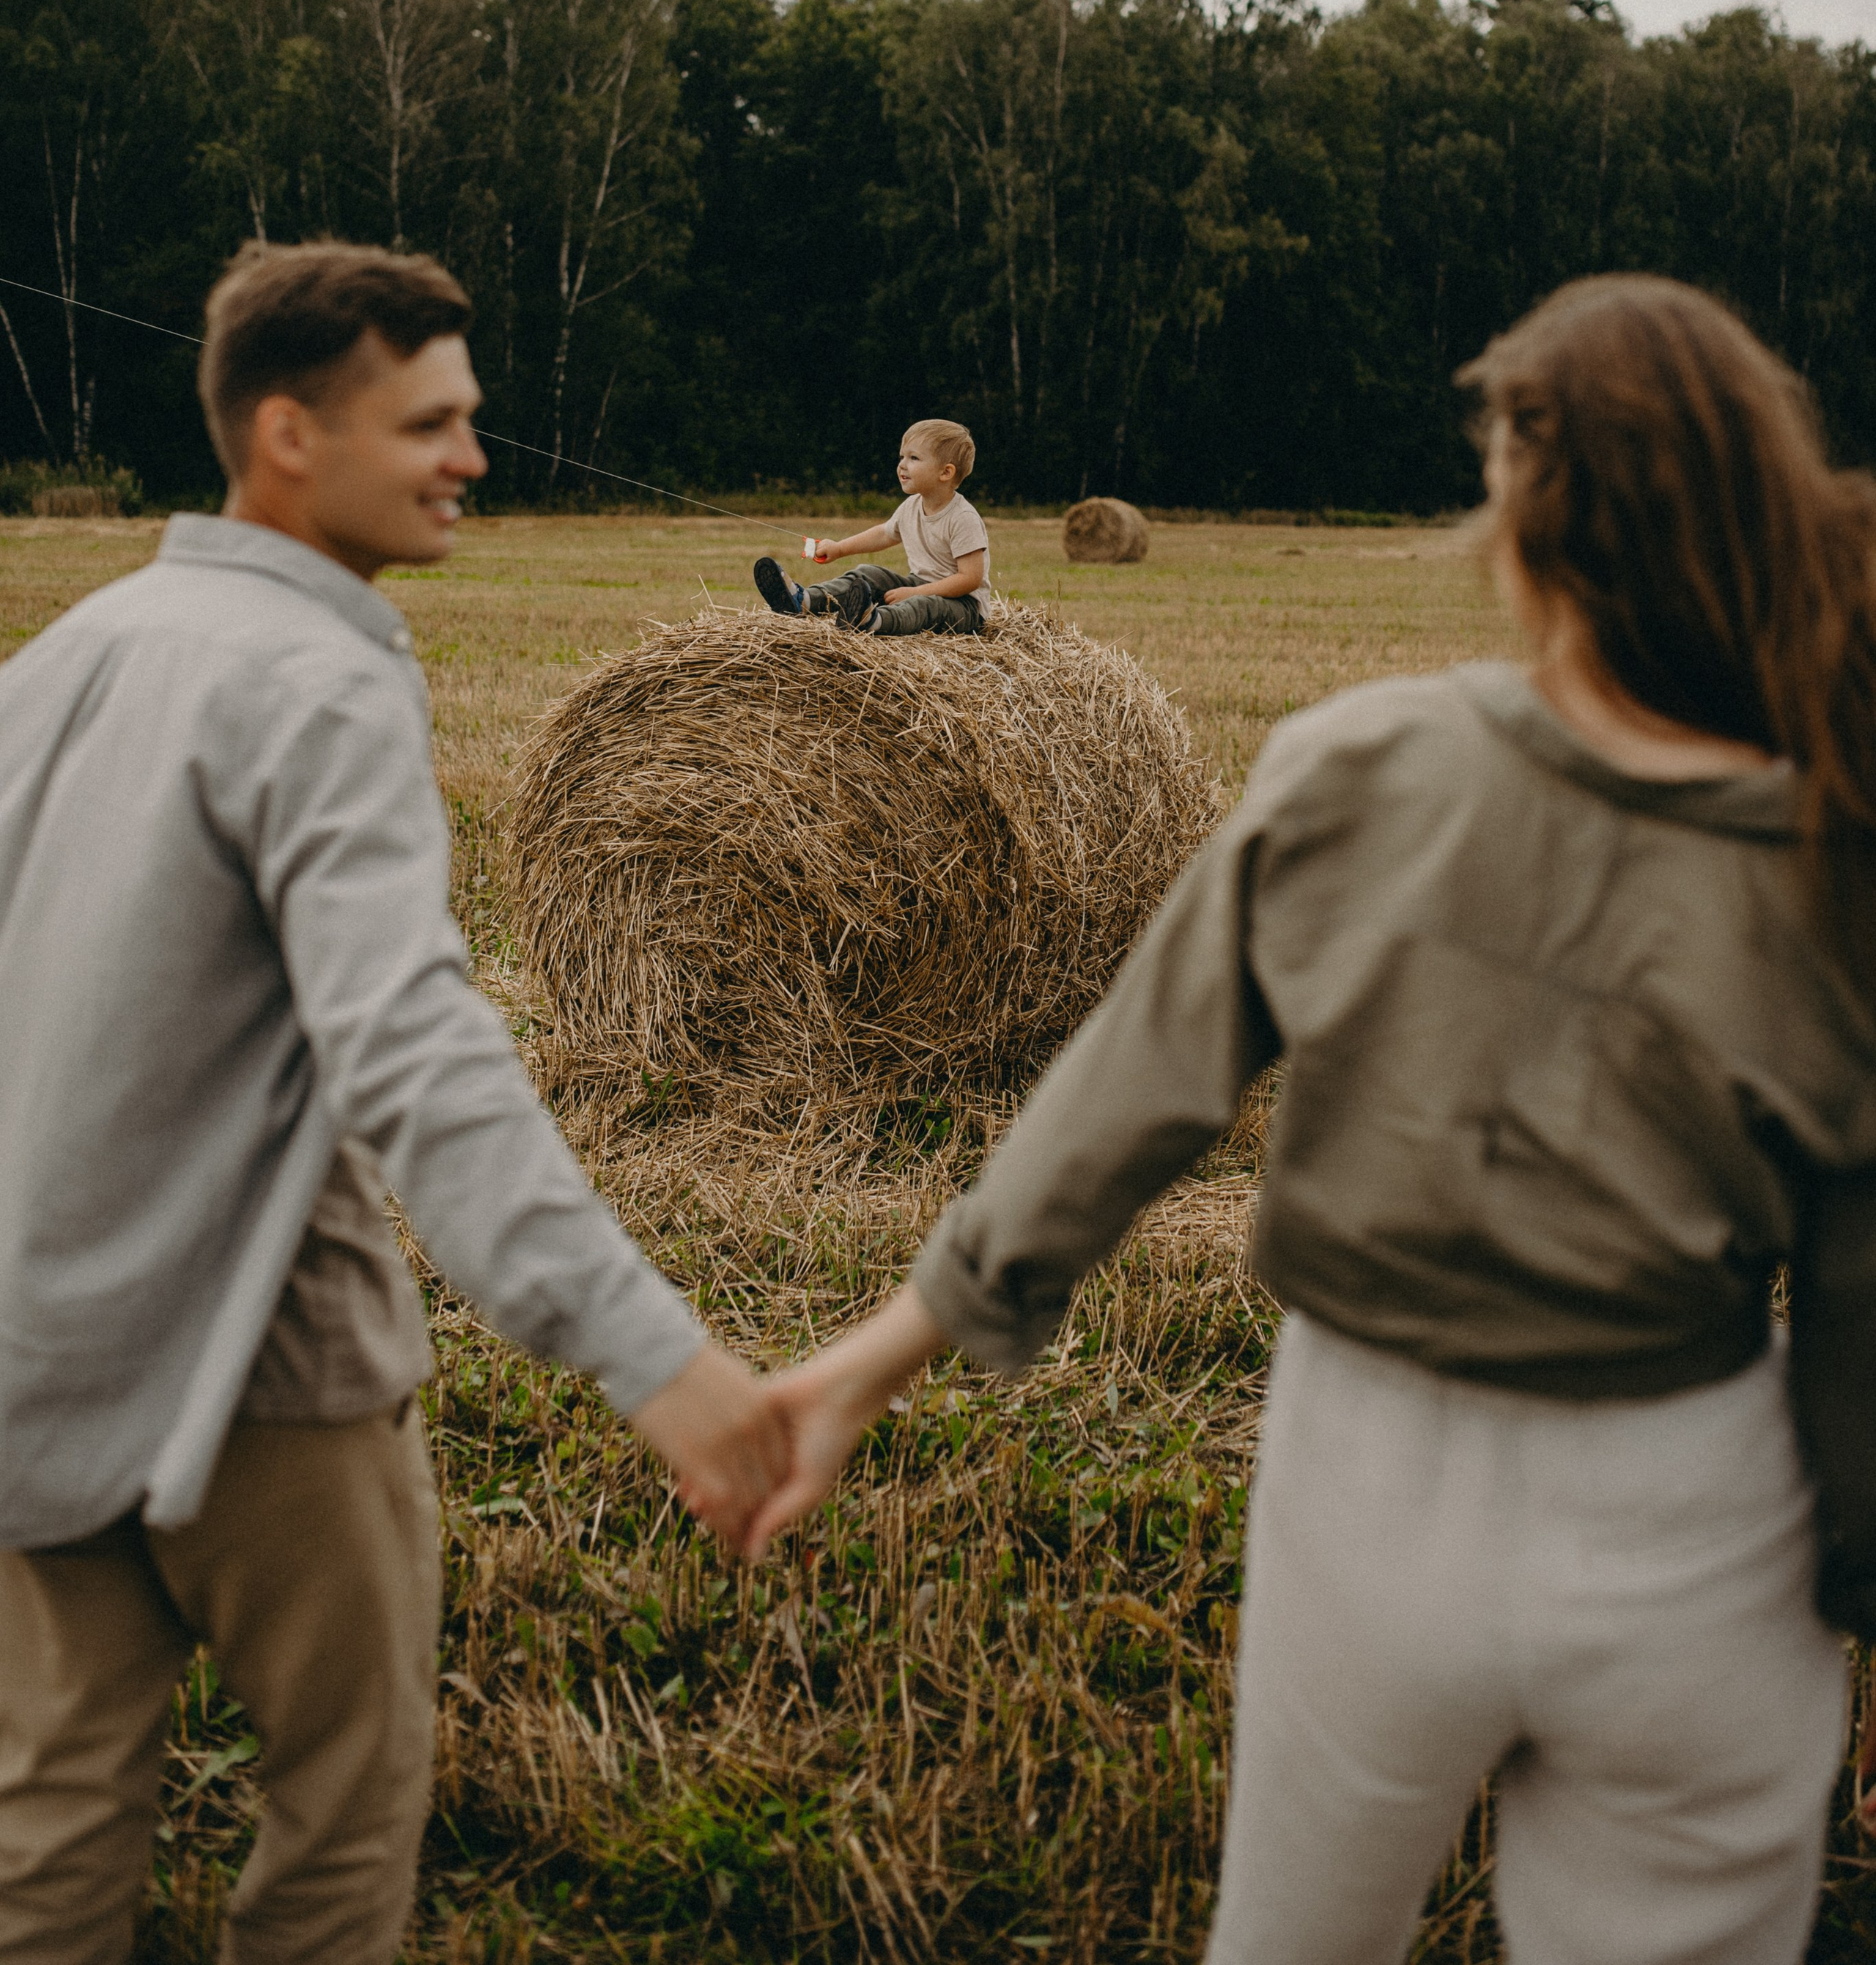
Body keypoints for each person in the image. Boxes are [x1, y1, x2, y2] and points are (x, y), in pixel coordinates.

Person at [747, 275, 1876, 1965]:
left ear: (1511, 500)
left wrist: (866, 1356)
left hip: (1375, 1477)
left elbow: (1126, 1093)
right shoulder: (1830, 850)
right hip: (1697, 1521)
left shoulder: (1366, 762)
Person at [0, 241, 789, 1965]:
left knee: (49, 1822)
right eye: (429, 419)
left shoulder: (68, 653)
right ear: (288, 430)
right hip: (269, 1354)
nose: (471, 457)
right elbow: (417, 1051)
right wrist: (653, 1351)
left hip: (39, 1341)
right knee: (346, 1804)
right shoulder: (321, 675)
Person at [754, 419, 991, 635]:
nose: (902, 466)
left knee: (923, 605)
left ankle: (873, 621)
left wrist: (916, 593)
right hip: (922, 584)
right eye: (902, 457)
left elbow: (969, 579)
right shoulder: (912, 506)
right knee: (870, 574)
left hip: (965, 606)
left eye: (914, 458)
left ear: (946, 472)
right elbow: (885, 534)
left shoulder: (963, 518)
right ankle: (805, 601)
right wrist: (839, 548)